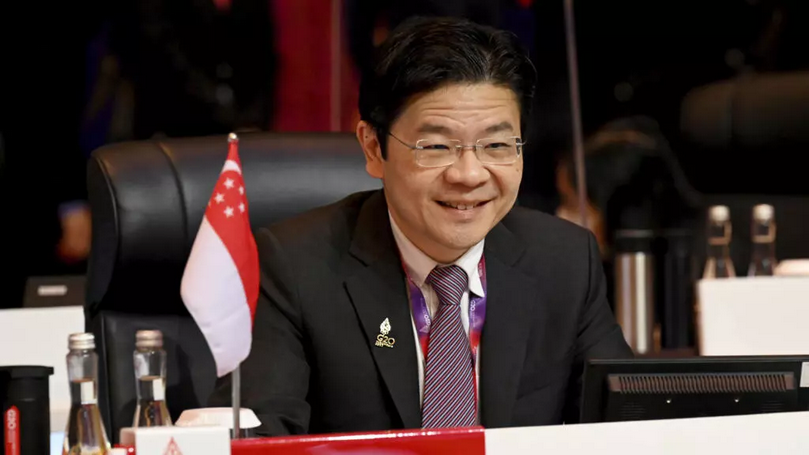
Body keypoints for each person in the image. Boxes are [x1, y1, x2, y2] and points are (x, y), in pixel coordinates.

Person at [212, 16, 632, 436]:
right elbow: (256, 438)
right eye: (436, 146)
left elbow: (629, 426)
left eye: (496, 145)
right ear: (373, 147)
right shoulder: (295, 266)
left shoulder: (564, 261)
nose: (469, 175)